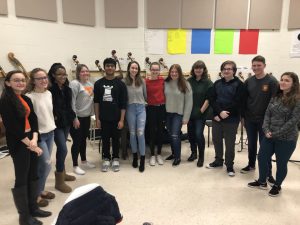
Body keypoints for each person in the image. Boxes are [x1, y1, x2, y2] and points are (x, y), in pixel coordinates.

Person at [0, 70, 51, 225]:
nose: (21, 83)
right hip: (19, 143)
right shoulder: (5, 101)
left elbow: (34, 119)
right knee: (22, 178)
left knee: (33, 175)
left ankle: (33, 208)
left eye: (22, 80)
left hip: (30, 140)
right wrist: (31, 145)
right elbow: (12, 127)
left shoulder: (25, 99)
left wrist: (34, 138)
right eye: (16, 80)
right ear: (8, 83)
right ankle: (24, 217)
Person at [248, 72, 300, 197]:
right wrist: (266, 129)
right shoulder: (276, 96)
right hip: (269, 135)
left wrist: (276, 133)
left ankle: (277, 185)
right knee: (262, 157)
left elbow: (294, 121)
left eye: (287, 80)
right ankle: (262, 181)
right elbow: (267, 114)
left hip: (287, 138)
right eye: (282, 79)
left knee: (281, 163)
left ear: (294, 84)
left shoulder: (297, 100)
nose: (282, 82)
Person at [240, 56, 278, 185]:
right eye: (254, 65)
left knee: (265, 148)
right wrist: (243, 118)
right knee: (251, 144)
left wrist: (272, 122)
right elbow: (244, 101)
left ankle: (268, 173)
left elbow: (276, 103)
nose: (256, 68)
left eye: (259, 65)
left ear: (264, 66)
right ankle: (251, 165)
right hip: (250, 119)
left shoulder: (272, 81)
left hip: (265, 121)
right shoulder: (248, 81)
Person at [206, 61, 245, 177]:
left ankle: (229, 165)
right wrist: (218, 113)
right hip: (217, 118)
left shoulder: (240, 85)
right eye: (224, 69)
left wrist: (225, 113)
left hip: (231, 119)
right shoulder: (217, 83)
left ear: (234, 71)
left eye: (229, 69)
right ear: (221, 70)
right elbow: (212, 99)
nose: (226, 71)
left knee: (229, 144)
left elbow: (238, 103)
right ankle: (218, 161)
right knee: (216, 140)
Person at [26, 68, 56, 207]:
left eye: (45, 77)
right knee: (45, 164)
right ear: (33, 81)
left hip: (51, 132)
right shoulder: (29, 97)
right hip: (39, 135)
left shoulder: (49, 93)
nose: (44, 80)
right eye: (40, 78)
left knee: (44, 165)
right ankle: (35, 195)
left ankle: (41, 190)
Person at [94, 58, 127, 172]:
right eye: (107, 65)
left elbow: (123, 104)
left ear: (115, 68)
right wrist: (97, 118)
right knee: (105, 139)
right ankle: (106, 158)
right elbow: (96, 102)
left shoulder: (121, 84)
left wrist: (122, 120)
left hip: (117, 118)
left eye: (112, 66)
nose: (110, 68)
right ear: (104, 67)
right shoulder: (98, 83)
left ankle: (116, 158)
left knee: (116, 139)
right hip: (103, 118)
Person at [48, 63, 76, 193]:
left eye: (64, 74)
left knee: (62, 148)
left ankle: (63, 173)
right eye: (59, 74)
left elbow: (69, 107)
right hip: (56, 124)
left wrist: (74, 118)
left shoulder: (67, 89)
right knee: (63, 149)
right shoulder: (49, 90)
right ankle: (59, 181)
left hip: (66, 123)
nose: (63, 76)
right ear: (53, 75)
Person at [69, 64, 95, 175]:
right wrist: (74, 118)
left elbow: (90, 100)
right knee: (77, 141)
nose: (85, 73)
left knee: (84, 140)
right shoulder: (75, 84)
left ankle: (84, 161)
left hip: (86, 117)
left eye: (87, 71)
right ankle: (75, 165)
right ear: (78, 73)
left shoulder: (90, 84)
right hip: (77, 117)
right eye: (82, 71)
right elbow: (72, 102)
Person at [164, 64, 193, 166]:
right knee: (170, 135)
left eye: (176, 72)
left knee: (175, 135)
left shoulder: (185, 84)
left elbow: (189, 102)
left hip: (178, 114)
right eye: (172, 72)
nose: (174, 73)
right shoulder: (166, 83)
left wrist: (186, 117)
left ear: (179, 73)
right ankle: (173, 153)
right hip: (167, 114)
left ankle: (177, 157)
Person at [187, 60, 213, 167]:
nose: (198, 70)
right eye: (196, 68)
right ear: (193, 69)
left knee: (198, 134)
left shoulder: (208, 82)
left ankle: (201, 157)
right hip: (189, 112)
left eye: (200, 68)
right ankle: (194, 153)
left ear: (203, 69)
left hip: (200, 113)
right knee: (190, 134)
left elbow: (209, 98)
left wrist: (201, 110)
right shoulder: (189, 81)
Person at [123, 61, 147, 172]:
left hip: (141, 109)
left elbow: (145, 96)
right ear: (129, 69)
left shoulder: (142, 81)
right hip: (130, 109)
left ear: (138, 70)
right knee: (132, 134)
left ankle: (142, 159)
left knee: (140, 133)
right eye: (132, 68)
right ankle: (135, 157)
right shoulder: (124, 82)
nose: (134, 70)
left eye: (136, 68)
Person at [145, 62, 166, 166]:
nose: (155, 71)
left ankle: (159, 154)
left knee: (161, 132)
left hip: (162, 108)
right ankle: (152, 155)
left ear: (159, 71)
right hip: (151, 109)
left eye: (157, 70)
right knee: (152, 131)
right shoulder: (146, 82)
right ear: (150, 70)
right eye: (153, 69)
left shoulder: (163, 80)